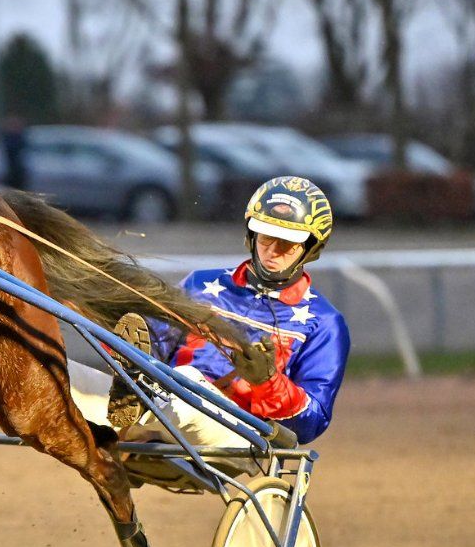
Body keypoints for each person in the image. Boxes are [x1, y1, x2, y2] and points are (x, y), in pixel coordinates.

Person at [110, 175, 350, 455]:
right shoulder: (200, 284)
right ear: (251, 235)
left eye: (286, 243)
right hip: (163, 405)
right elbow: (152, 339)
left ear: (310, 248)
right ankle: (133, 387)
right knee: (71, 376)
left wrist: (267, 382)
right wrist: (116, 324)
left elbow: (313, 423)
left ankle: (139, 395)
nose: (272, 251)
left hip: (236, 433)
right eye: (266, 237)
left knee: (185, 378)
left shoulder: (325, 323)